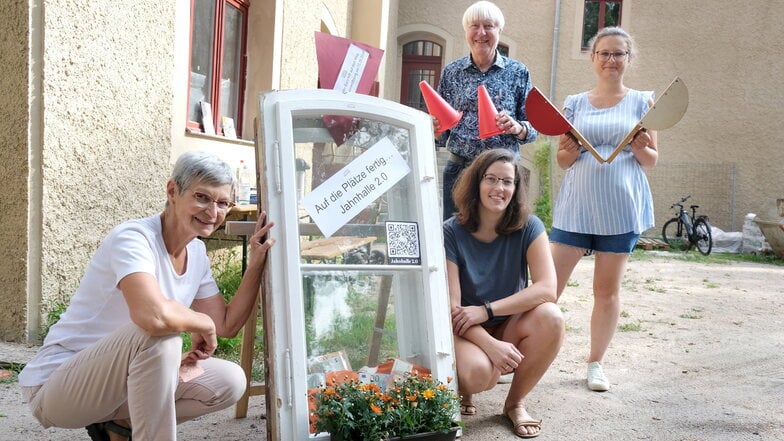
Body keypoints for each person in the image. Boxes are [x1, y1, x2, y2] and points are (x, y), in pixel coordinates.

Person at [18, 151, 275, 441]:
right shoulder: (132, 238)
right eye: (202, 197)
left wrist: (254, 265)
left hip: (123, 385)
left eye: (223, 203)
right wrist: (199, 321)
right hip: (60, 386)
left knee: (230, 380)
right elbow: (151, 316)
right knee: (161, 334)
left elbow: (226, 325)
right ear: (172, 191)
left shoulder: (197, 253)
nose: (213, 212)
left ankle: (120, 424)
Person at [549, 26, 658, 392]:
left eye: (619, 54)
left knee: (606, 292)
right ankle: (517, 353)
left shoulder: (644, 101)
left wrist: (642, 146)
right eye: (604, 53)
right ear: (593, 58)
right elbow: (562, 160)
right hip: (576, 206)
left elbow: (651, 160)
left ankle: (595, 363)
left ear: (629, 59)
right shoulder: (574, 102)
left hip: (620, 207)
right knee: (549, 287)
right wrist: (570, 150)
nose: (611, 60)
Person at [444, 148, 564, 438]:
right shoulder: (451, 231)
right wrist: (490, 344)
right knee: (479, 375)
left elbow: (547, 289)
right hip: (464, 329)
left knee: (552, 317)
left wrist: (487, 311)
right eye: (491, 179)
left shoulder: (529, 227)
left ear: (516, 188)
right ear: (476, 183)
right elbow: (451, 307)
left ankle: (515, 404)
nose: (499, 188)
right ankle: (464, 389)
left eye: (507, 181)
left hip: (507, 322)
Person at [435, 0, 538, 220]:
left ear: (499, 31)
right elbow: (440, 133)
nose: (481, 33)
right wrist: (433, 127)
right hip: (460, 171)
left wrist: (517, 127)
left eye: (489, 26)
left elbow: (533, 128)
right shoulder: (451, 72)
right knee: (454, 237)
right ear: (466, 31)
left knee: (501, 237)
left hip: (502, 174)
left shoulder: (518, 72)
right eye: (474, 26)